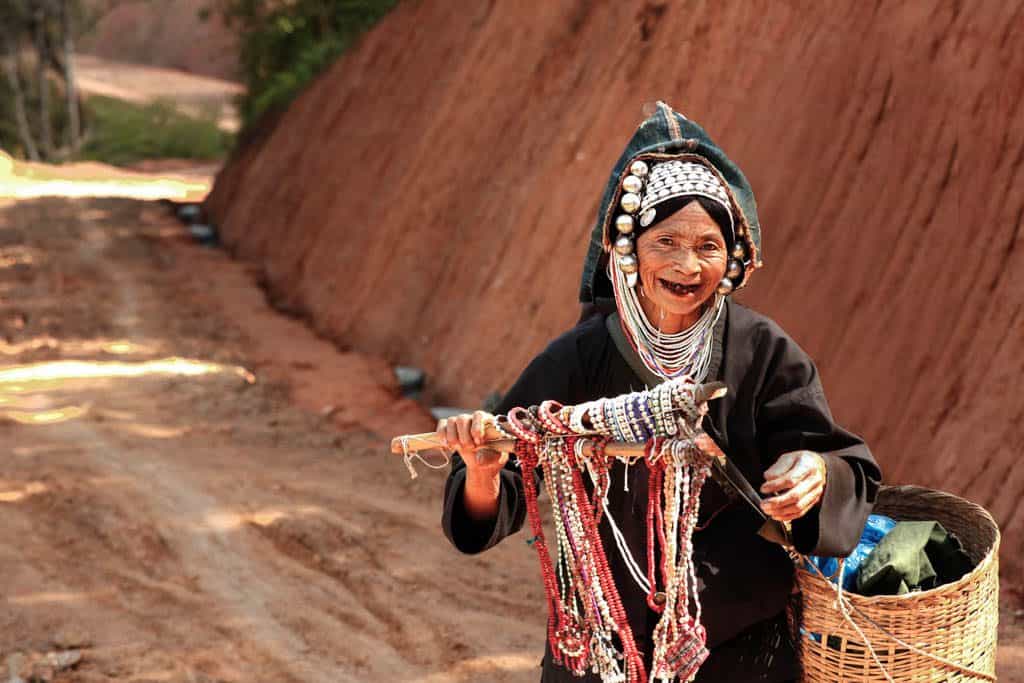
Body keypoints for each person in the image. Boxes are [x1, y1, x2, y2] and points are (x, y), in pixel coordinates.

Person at [437, 102, 881, 682]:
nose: (687, 264)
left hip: (739, 650)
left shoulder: (763, 351)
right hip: (600, 649)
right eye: (666, 242)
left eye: (708, 246)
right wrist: (482, 473)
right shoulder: (578, 360)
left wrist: (816, 475)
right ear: (629, 251)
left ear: (733, 261)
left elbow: (847, 464)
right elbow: (501, 489)